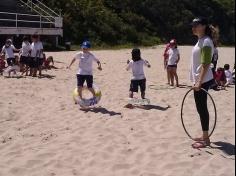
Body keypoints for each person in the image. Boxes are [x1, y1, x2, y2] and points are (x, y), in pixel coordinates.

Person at [189, 17, 219, 148]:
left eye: (196, 24)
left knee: (202, 108)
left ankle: (206, 139)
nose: (193, 27)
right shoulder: (200, 41)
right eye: (193, 25)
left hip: (203, 80)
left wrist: (199, 81)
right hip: (199, 79)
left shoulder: (206, 41)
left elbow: (206, 63)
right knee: (200, 109)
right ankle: (204, 135)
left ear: (204, 26)